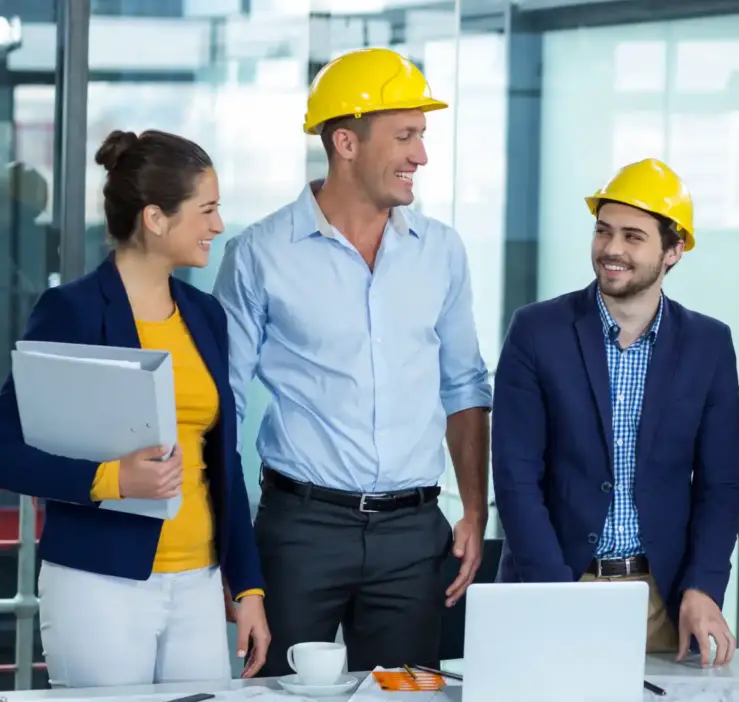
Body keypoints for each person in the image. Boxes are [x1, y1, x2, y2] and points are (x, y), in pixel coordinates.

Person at [213, 47, 492, 676]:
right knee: (278, 694)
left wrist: (473, 508)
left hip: (414, 534)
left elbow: (465, 386)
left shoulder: (441, 251)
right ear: (345, 142)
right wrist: (228, 549)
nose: (420, 155)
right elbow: (220, 406)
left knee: (405, 696)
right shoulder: (259, 255)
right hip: (299, 529)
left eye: (421, 135)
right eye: (405, 136)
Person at [0, 129, 269, 687]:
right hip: (98, 583)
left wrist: (248, 587)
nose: (218, 226)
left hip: (199, 581)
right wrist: (109, 478)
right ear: (155, 218)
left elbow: (223, 461)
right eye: (207, 210)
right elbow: (5, 449)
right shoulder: (70, 311)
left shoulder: (205, 315)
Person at [492, 158, 739, 667]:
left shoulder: (709, 344)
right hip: (554, 582)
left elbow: (721, 484)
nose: (611, 249)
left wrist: (704, 586)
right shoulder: (536, 331)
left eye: (633, 237)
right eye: (603, 231)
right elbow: (516, 477)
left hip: (661, 599)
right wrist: (554, 593)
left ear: (674, 251)